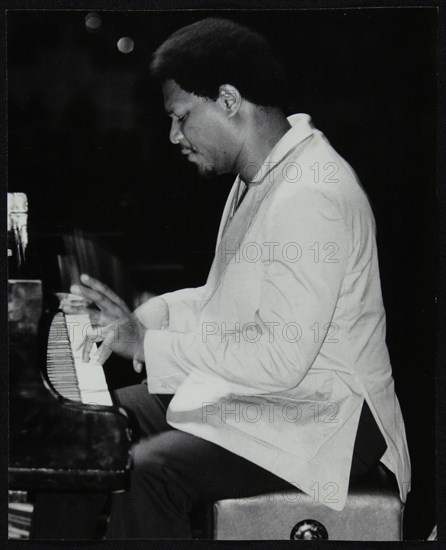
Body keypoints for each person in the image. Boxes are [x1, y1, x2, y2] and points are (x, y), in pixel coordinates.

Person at [63, 17, 410, 538]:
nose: (174, 135)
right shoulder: (262, 177)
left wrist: (149, 344)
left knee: (151, 471)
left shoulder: (312, 193)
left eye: (181, 116)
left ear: (228, 99)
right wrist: (134, 319)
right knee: (96, 423)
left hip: (333, 424)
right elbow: (220, 301)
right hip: (281, 401)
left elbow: (280, 357)